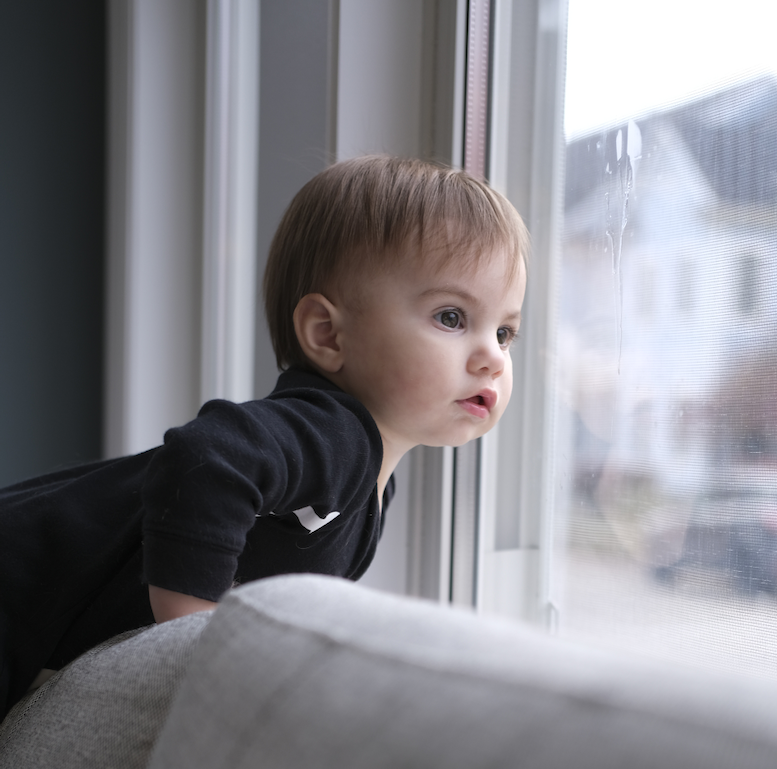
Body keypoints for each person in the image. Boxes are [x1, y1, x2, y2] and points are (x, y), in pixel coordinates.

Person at [0, 155, 528, 717]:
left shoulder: (367, 479)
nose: (492, 358)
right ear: (327, 334)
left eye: (505, 331)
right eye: (451, 317)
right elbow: (209, 456)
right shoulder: (336, 436)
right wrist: (193, 636)